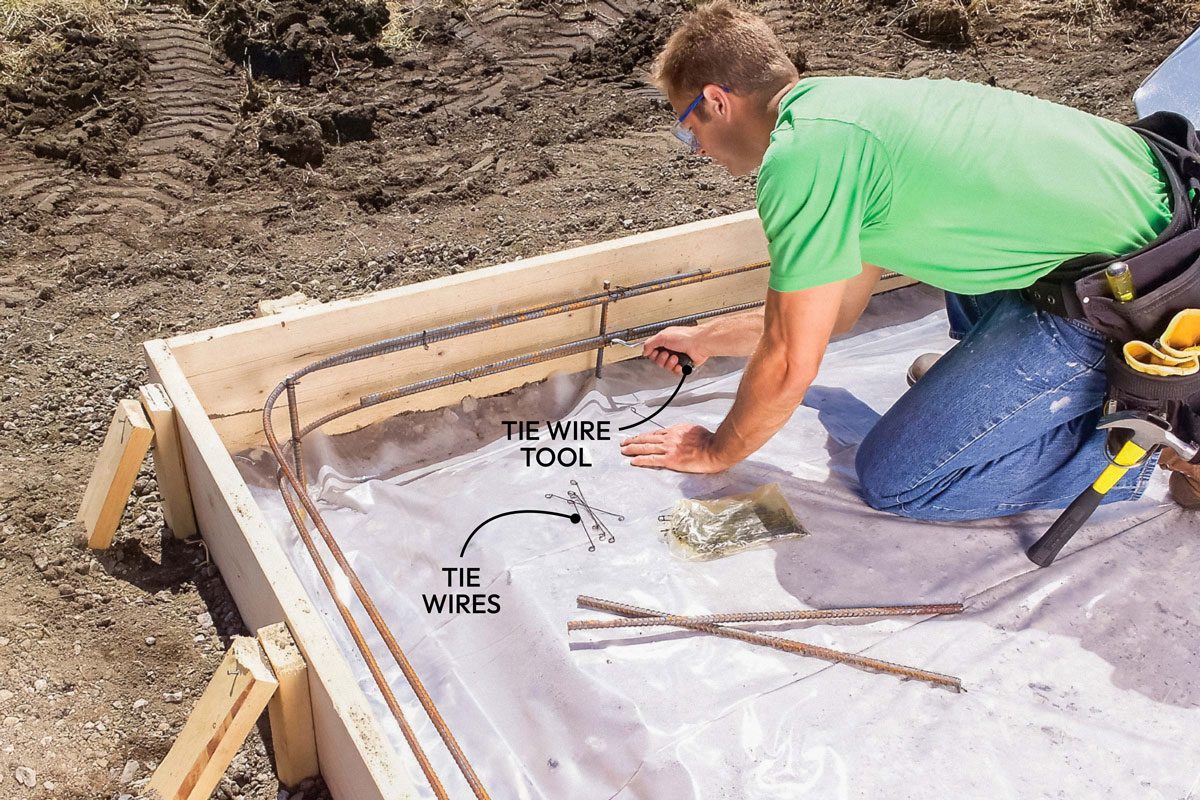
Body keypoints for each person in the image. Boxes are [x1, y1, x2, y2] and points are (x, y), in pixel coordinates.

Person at [617, 0, 1200, 515]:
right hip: (1148, 236)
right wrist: (705, 338)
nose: (695, 150)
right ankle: (1005, 398)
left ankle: (1158, 446)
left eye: (687, 131)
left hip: (1138, 294)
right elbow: (835, 312)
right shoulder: (842, 112)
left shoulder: (800, 160)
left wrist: (717, 450)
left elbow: (792, 359)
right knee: (947, 244)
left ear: (717, 102)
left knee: (898, 479)